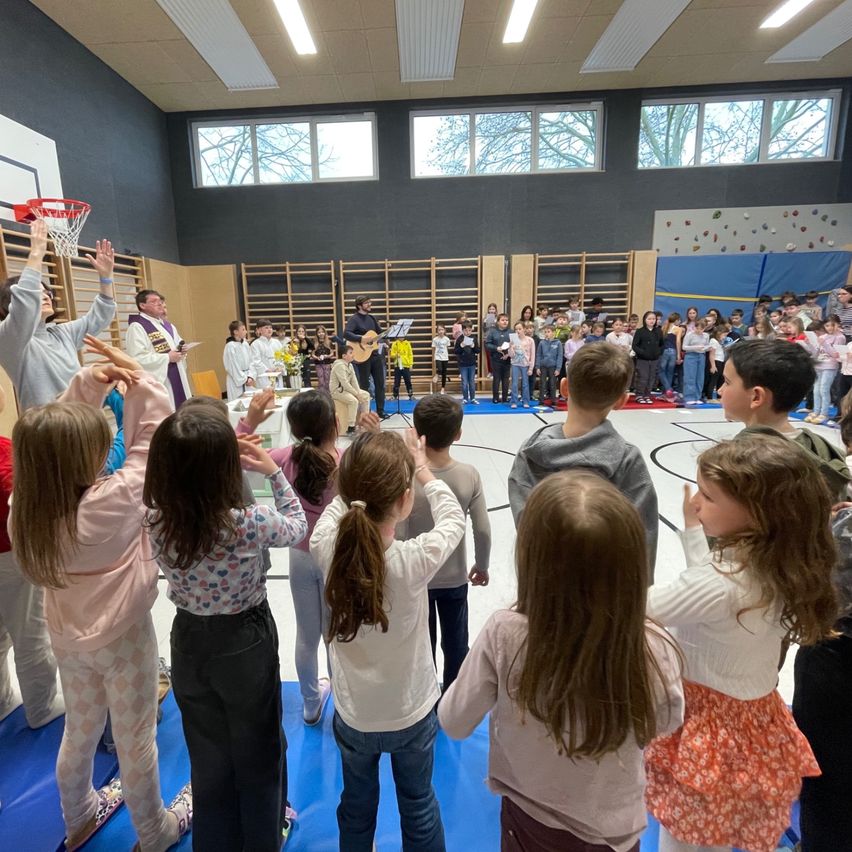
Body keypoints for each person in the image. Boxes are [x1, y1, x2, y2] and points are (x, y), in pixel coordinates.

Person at [11, 339, 191, 852]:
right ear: (80, 458)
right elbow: (151, 443)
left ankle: (79, 816)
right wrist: (140, 380)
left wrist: (89, 385)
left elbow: (56, 434)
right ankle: (154, 833)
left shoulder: (24, 504)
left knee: (81, 731)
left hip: (68, 637)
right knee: (135, 739)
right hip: (122, 637)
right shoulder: (108, 502)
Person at [440, 472, 683, 851]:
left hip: (531, 820)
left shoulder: (505, 633)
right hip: (616, 829)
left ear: (532, 562)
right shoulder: (653, 645)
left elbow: (453, 721)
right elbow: (665, 721)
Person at [646, 434, 838, 852]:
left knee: (685, 836)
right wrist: (696, 534)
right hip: (751, 722)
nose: (696, 503)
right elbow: (711, 597)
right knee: (719, 826)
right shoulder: (779, 562)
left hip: (706, 727)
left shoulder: (724, 584)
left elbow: (641, 609)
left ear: (758, 514)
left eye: (708, 496)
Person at [144, 400, 307, 852]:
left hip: (188, 639)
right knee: (259, 751)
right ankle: (263, 836)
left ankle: (215, 841)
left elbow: (189, 453)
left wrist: (238, 431)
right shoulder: (245, 522)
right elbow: (296, 525)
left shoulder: (155, 517)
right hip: (245, 640)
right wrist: (272, 474)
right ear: (223, 472)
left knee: (208, 755)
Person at [310, 430, 465, 852]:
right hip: (410, 713)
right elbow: (454, 519)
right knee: (418, 805)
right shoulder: (413, 560)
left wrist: (358, 472)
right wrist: (422, 470)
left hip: (355, 713)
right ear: (405, 498)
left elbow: (340, 503)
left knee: (356, 806)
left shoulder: (326, 546)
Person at [509, 344, 658, 577]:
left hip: (544, 589)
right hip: (610, 592)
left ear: (564, 387)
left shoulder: (530, 453)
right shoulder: (628, 459)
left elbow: (527, 527)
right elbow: (643, 538)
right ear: (622, 401)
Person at [400, 395, 491, 692]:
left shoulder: (406, 477)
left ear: (416, 432)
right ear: (458, 434)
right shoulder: (468, 475)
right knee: (456, 644)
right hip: (453, 578)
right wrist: (482, 564)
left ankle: (425, 699)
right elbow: (482, 529)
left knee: (421, 648)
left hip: (417, 578)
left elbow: (399, 532)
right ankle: (453, 698)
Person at [0, 218, 116, 410]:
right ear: (11, 302)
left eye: (47, 292)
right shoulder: (9, 340)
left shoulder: (62, 333)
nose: (45, 296)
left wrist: (106, 278)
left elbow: (100, 317)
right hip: (46, 430)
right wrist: (37, 252)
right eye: (37, 292)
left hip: (82, 422)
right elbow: (24, 308)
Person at [0, 377, 63, 729]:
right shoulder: (8, 457)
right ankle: (40, 707)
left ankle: (2, 699)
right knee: (30, 636)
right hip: (9, 555)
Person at [719, 338, 850, 499]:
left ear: (756, 397)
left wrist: (693, 524)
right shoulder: (823, 448)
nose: (720, 390)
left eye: (727, 382)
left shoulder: (741, 461)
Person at [126, 289, 191, 408]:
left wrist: (182, 351)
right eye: (154, 301)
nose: (160, 303)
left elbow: (177, 346)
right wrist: (167, 357)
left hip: (177, 375)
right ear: (142, 305)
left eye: (160, 301)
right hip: (162, 380)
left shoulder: (167, 325)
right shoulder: (137, 326)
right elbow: (136, 358)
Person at [344, 296, 388, 420]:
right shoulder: (354, 319)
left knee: (380, 383)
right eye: (367, 302)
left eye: (370, 302)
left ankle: (380, 410)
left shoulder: (372, 318)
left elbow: (379, 335)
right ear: (359, 305)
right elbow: (346, 333)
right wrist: (362, 339)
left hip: (375, 355)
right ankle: (365, 412)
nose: (370, 304)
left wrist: (388, 336)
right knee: (364, 385)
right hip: (363, 356)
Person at [806, 315, 845, 425]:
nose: (829, 328)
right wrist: (809, 344)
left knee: (824, 389)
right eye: (826, 325)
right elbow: (816, 353)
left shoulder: (840, 337)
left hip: (830, 366)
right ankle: (816, 411)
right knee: (816, 390)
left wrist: (825, 344)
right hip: (819, 364)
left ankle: (824, 413)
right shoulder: (825, 336)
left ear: (838, 324)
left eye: (831, 325)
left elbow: (835, 354)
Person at [331, 345, 370, 435]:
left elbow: (354, 381)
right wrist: (356, 395)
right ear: (344, 356)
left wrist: (359, 393)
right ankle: (351, 427)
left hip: (346, 390)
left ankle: (364, 422)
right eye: (351, 353)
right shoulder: (339, 366)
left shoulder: (350, 365)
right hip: (337, 391)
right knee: (353, 401)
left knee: (366, 395)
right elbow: (345, 384)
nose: (353, 355)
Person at [632, 311, 664, 404]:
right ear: (645, 320)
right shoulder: (640, 331)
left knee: (651, 377)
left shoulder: (658, 331)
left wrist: (658, 352)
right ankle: (639, 395)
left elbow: (662, 344)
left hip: (654, 359)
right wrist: (642, 352)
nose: (652, 321)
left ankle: (647, 395)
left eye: (653, 319)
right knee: (643, 377)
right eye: (649, 319)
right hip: (642, 359)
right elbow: (635, 345)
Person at [223, 319, 260, 400]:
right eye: (243, 329)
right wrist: (244, 379)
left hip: (247, 378)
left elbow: (251, 362)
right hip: (236, 380)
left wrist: (251, 376)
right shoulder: (230, 346)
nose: (246, 332)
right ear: (235, 332)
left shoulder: (245, 344)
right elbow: (232, 366)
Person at [681, 319, 710, 405]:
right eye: (697, 328)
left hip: (701, 356)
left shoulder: (706, 335)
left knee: (700, 377)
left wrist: (708, 348)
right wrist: (695, 347)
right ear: (695, 327)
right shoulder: (690, 335)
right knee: (690, 377)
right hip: (691, 356)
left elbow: (706, 345)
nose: (699, 330)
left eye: (702, 329)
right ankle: (689, 397)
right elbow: (684, 347)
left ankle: (697, 397)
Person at [486, 313, 512, 404]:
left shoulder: (511, 332)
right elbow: (487, 344)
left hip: (507, 359)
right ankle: (495, 397)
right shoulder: (492, 332)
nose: (505, 322)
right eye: (503, 320)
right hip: (496, 359)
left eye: (506, 320)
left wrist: (508, 354)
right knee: (496, 378)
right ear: (498, 322)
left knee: (506, 379)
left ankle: (505, 398)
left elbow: (515, 345)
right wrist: (496, 348)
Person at [248, 319, 279, 391]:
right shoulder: (255, 344)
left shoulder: (276, 342)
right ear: (259, 330)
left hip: (276, 374)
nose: (269, 330)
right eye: (266, 328)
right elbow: (256, 361)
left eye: (270, 328)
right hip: (263, 377)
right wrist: (267, 370)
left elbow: (281, 357)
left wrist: (279, 367)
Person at [509, 321, 534, 409]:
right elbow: (511, 355)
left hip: (525, 364)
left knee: (525, 384)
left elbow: (532, 355)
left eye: (520, 329)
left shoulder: (530, 340)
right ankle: (514, 401)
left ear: (524, 329)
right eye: (516, 329)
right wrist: (510, 347)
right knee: (514, 383)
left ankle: (526, 401)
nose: (518, 331)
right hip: (515, 364)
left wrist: (531, 368)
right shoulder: (513, 340)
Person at [536, 324, 563, 403]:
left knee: (552, 384)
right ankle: (541, 399)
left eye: (548, 332)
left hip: (553, 366)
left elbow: (560, 356)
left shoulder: (558, 343)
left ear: (553, 333)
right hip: (543, 366)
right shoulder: (542, 343)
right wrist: (537, 367)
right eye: (545, 332)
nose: (546, 333)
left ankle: (553, 399)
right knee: (542, 383)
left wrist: (558, 368)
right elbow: (538, 355)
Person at [454, 320, 479, 404]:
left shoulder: (474, 338)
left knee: (472, 382)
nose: (468, 332)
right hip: (462, 364)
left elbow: (478, 350)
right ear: (462, 330)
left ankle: (473, 398)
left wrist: (473, 346)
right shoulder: (460, 339)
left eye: (469, 330)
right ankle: (465, 398)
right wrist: (461, 346)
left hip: (472, 364)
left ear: (472, 330)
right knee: (464, 382)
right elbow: (456, 351)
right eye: (465, 330)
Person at [659, 313, 683, 399]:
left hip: (665, 351)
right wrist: (678, 355)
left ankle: (667, 391)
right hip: (673, 351)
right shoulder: (678, 329)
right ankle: (668, 389)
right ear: (676, 320)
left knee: (662, 371)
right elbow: (678, 341)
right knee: (669, 372)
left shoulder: (664, 328)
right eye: (679, 320)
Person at [390, 333, 414, 401]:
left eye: (403, 335)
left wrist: (411, 364)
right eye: (400, 335)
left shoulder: (407, 343)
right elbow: (392, 354)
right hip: (397, 366)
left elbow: (410, 354)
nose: (401, 337)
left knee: (408, 381)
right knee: (397, 382)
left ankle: (410, 395)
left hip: (406, 366)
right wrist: (396, 355)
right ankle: (395, 395)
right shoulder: (395, 344)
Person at [312, 325, 334, 393]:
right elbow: (312, 354)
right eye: (319, 332)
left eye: (322, 332)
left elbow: (332, 353)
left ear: (325, 333)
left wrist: (326, 356)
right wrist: (317, 357)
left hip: (327, 363)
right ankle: (321, 394)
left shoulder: (329, 342)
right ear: (317, 334)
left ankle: (327, 394)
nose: (321, 334)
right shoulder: (314, 342)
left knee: (327, 380)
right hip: (318, 364)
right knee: (321, 380)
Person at [431, 324, 450, 394]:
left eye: (442, 329)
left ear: (444, 330)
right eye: (439, 330)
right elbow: (433, 349)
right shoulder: (435, 339)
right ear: (437, 331)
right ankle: (437, 374)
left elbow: (447, 348)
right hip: (438, 357)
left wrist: (447, 356)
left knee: (444, 373)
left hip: (445, 357)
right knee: (440, 369)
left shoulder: (447, 339)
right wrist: (434, 357)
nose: (441, 331)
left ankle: (443, 388)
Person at [482, 303, 499, 377]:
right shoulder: (485, 318)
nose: (492, 310)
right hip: (487, 339)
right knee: (488, 357)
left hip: (495, 340)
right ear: (488, 310)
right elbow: (483, 329)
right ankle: (490, 371)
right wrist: (485, 323)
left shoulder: (498, 319)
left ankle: (495, 372)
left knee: (495, 356)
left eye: (493, 309)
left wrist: (495, 323)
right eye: (490, 309)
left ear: (495, 310)